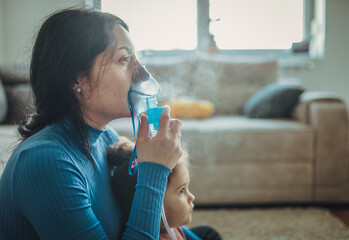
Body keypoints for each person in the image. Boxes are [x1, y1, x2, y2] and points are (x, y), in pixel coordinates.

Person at [0, 8, 183, 240]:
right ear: (78, 78)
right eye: (124, 59)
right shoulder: (45, 162)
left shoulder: (106, 138)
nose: (142, 72)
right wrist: (154, 169)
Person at [106, 136, 222, 240]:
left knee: (208, 232)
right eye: (181, 190)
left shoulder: (171, 228)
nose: (191, 197)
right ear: (153, 200)